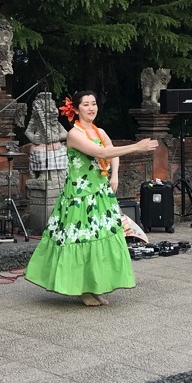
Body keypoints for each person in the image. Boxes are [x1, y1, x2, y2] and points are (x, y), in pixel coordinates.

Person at [25, 90, 158, 306]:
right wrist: (136, 147)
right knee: (81, 238)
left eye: (93, 103)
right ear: (76, 109)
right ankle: (83, 290)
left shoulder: (99, 131)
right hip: (80, 196)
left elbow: (111, 151)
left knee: (102, 236)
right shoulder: (74, 134)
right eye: (86, 104)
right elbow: (102, 153)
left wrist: (114, 175)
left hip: (100, 194)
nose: (91, 108)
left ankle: (95, 286)